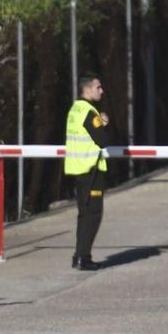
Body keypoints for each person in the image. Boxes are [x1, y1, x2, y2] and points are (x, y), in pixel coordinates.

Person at [64, 73, 116, 271]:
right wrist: (103, 124)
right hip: (90, 170)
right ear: (86, 90)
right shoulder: (89, 111)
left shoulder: (75, 109)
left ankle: (80, 255)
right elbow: (102, 141)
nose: (102, 91)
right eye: (98, 87)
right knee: (92, 215)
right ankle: (82, 258)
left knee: (84, 214)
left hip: (78, 169)